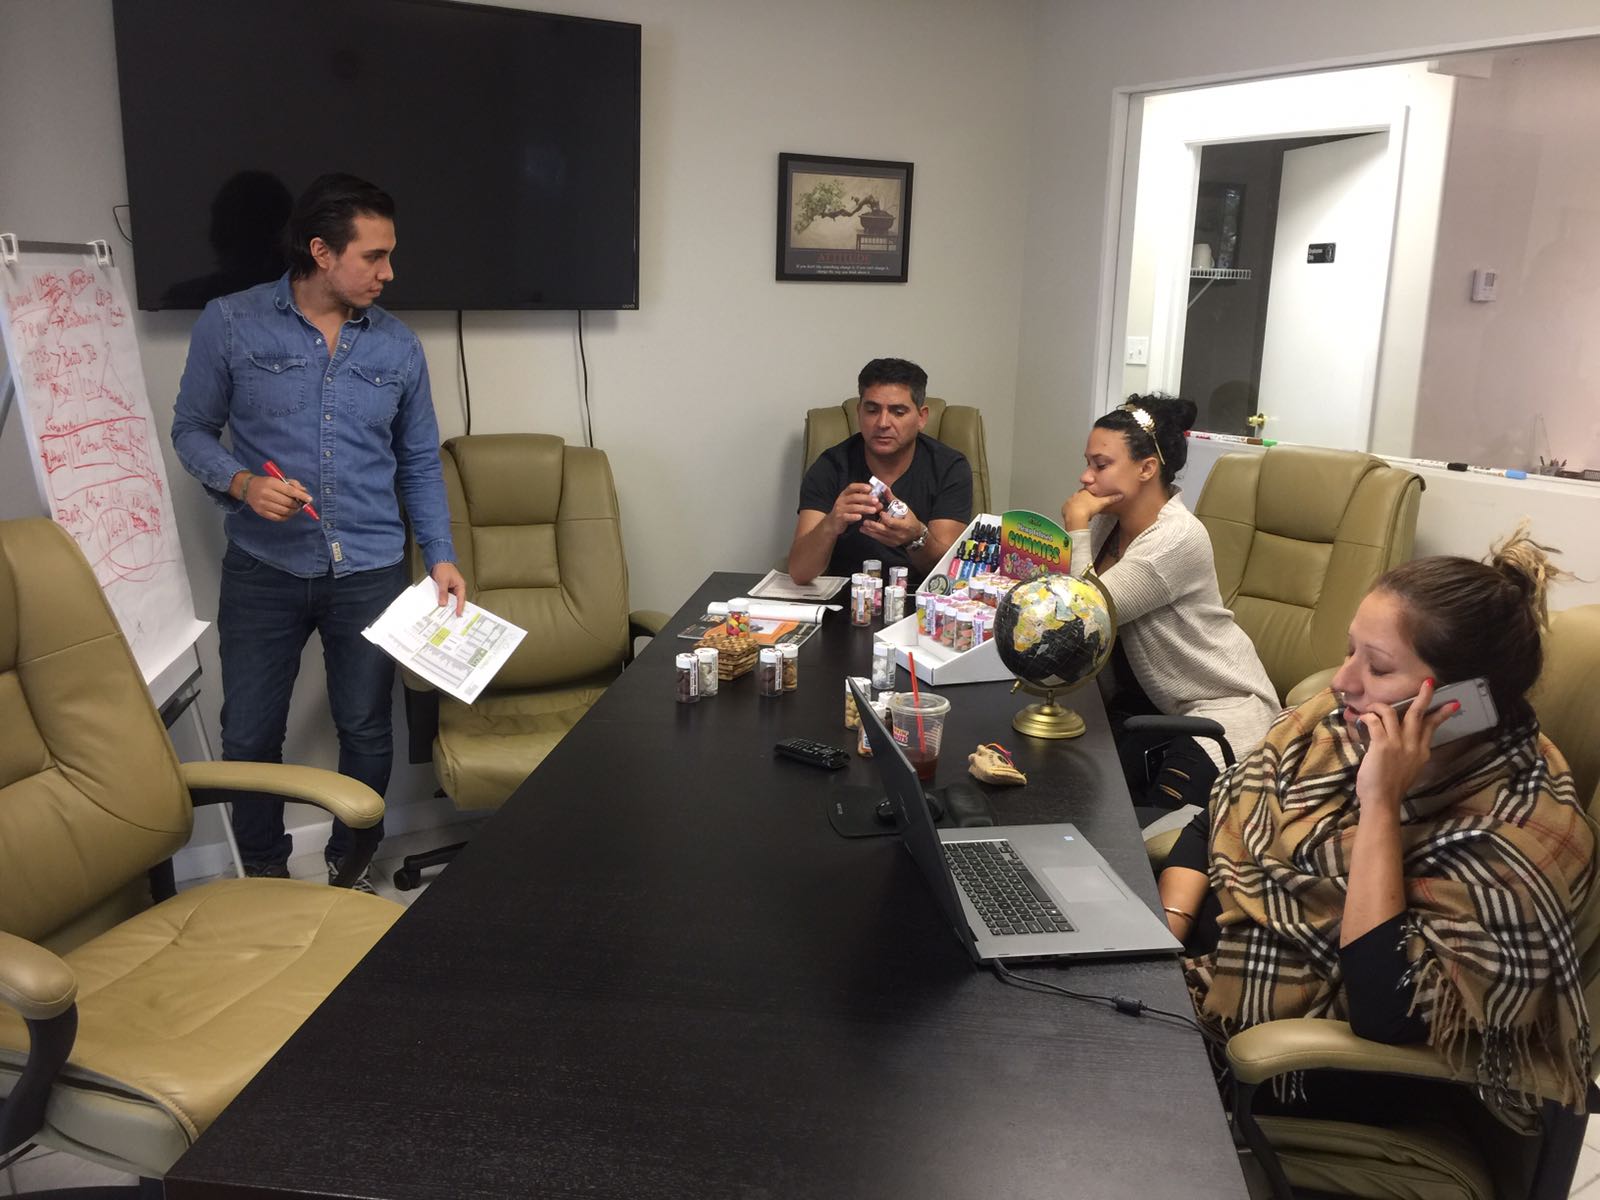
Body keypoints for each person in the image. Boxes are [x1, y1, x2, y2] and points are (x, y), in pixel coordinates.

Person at [1161, 528, 1594, 1128]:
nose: (1343, 681)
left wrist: (1381, 805)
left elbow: (1387, 1009)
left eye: (1379, 666)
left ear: (1462, 701)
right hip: (1185, 980)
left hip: (1315, 1071)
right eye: (1350, 651)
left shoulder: (1519, 837)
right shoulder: (1339, 726)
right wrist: (1161, 942)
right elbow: (1221, 813)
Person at [171, 173, 466, 889]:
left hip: (370, 569)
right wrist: (242, 482)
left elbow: (418, 462)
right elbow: (191, 430)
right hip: (263, 568)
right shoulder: (231, 322)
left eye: (390, 255)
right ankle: (264, 871)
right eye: (374, 256)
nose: (388, 273)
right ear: (321, 252)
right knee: (249, 732)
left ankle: (350, 864)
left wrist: (440, 556)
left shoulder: (398, 348)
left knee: (365, 727)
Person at [1061, 394, 1277, 821]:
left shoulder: (1176, 538)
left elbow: (1085, 619)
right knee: (1077, 798)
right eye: (1087, 463)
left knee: (1154, 832)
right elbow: (1060, 602)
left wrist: (1076, 528)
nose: (1086, 477)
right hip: (1149, 711)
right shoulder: (1108, 523)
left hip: (1221, 710)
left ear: (1147, 468)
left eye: (1101, 464)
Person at [788, 358, 973, 587]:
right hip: (846, 596)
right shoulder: (831, 466)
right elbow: (800, 573)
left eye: (898, 412)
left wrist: (916, 537)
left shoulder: (949, 468)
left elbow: (948, 574)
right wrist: (830, 524)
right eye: (872, 410)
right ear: (859, 412)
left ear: (921, 417)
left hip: (919, 598)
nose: (883, 423)